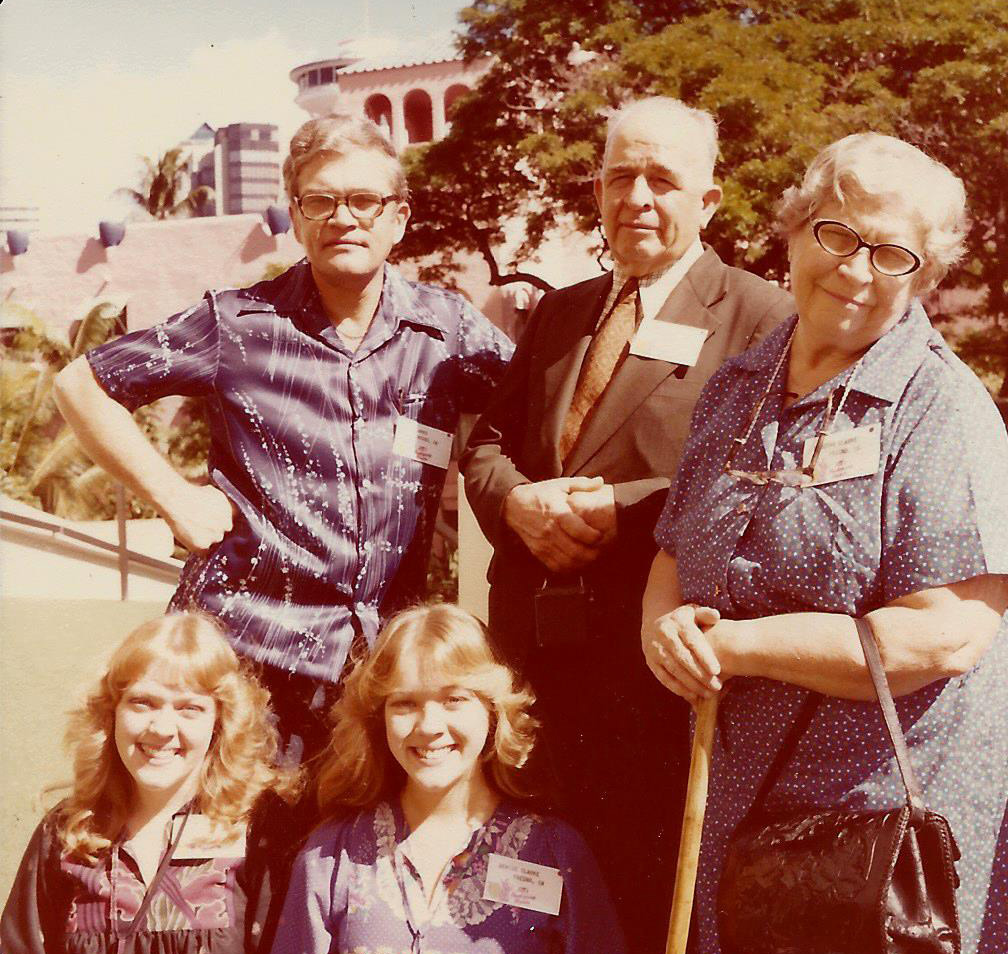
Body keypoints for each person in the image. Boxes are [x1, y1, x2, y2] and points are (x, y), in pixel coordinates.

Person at [642, 132, 1008, 954]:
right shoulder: (738, 386)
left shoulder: (941, 408)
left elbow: (947, 633)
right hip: (745, 795)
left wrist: (737, 647)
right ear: (795, 231)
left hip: (876, 825)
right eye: (838, 235)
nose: (856, 270)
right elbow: (673, 550)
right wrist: (663, 628)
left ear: (925, 276)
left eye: (892, 255)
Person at [53, 115, 513, 760]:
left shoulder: (449, 329)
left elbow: (535, 407)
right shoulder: (236, 323)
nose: (343, 218)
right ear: (295, 217)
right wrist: (173, 496)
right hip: (243, 658)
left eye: (364, 200)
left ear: (399, 217)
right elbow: (82, 384)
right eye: (320, 201)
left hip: (383, 669)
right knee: (225, 825)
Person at [459, 95, 793, 948]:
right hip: (532, 664)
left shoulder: (762, 317)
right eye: (620, 177)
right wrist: (516, 502)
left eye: (662, 180)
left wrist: (627, 509)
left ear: (708, 200)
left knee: (640, 903)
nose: (637, 198)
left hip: (651, 677)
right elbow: (487, 444)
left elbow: (759, 474)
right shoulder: (560, 311)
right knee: (528, 888)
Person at [268, 603, 625, 954]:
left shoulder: (551, 854)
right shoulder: (332, 857)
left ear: (492, 710)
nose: (429, 726)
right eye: (405, 703)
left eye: (454, 699)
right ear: (380, 718)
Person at [1, 613, 300, 954]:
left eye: (189, 708)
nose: (161, 728)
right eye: (142, 703)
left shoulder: (256, 831)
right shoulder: (70, 831)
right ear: (111, 713)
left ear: (219, 722)